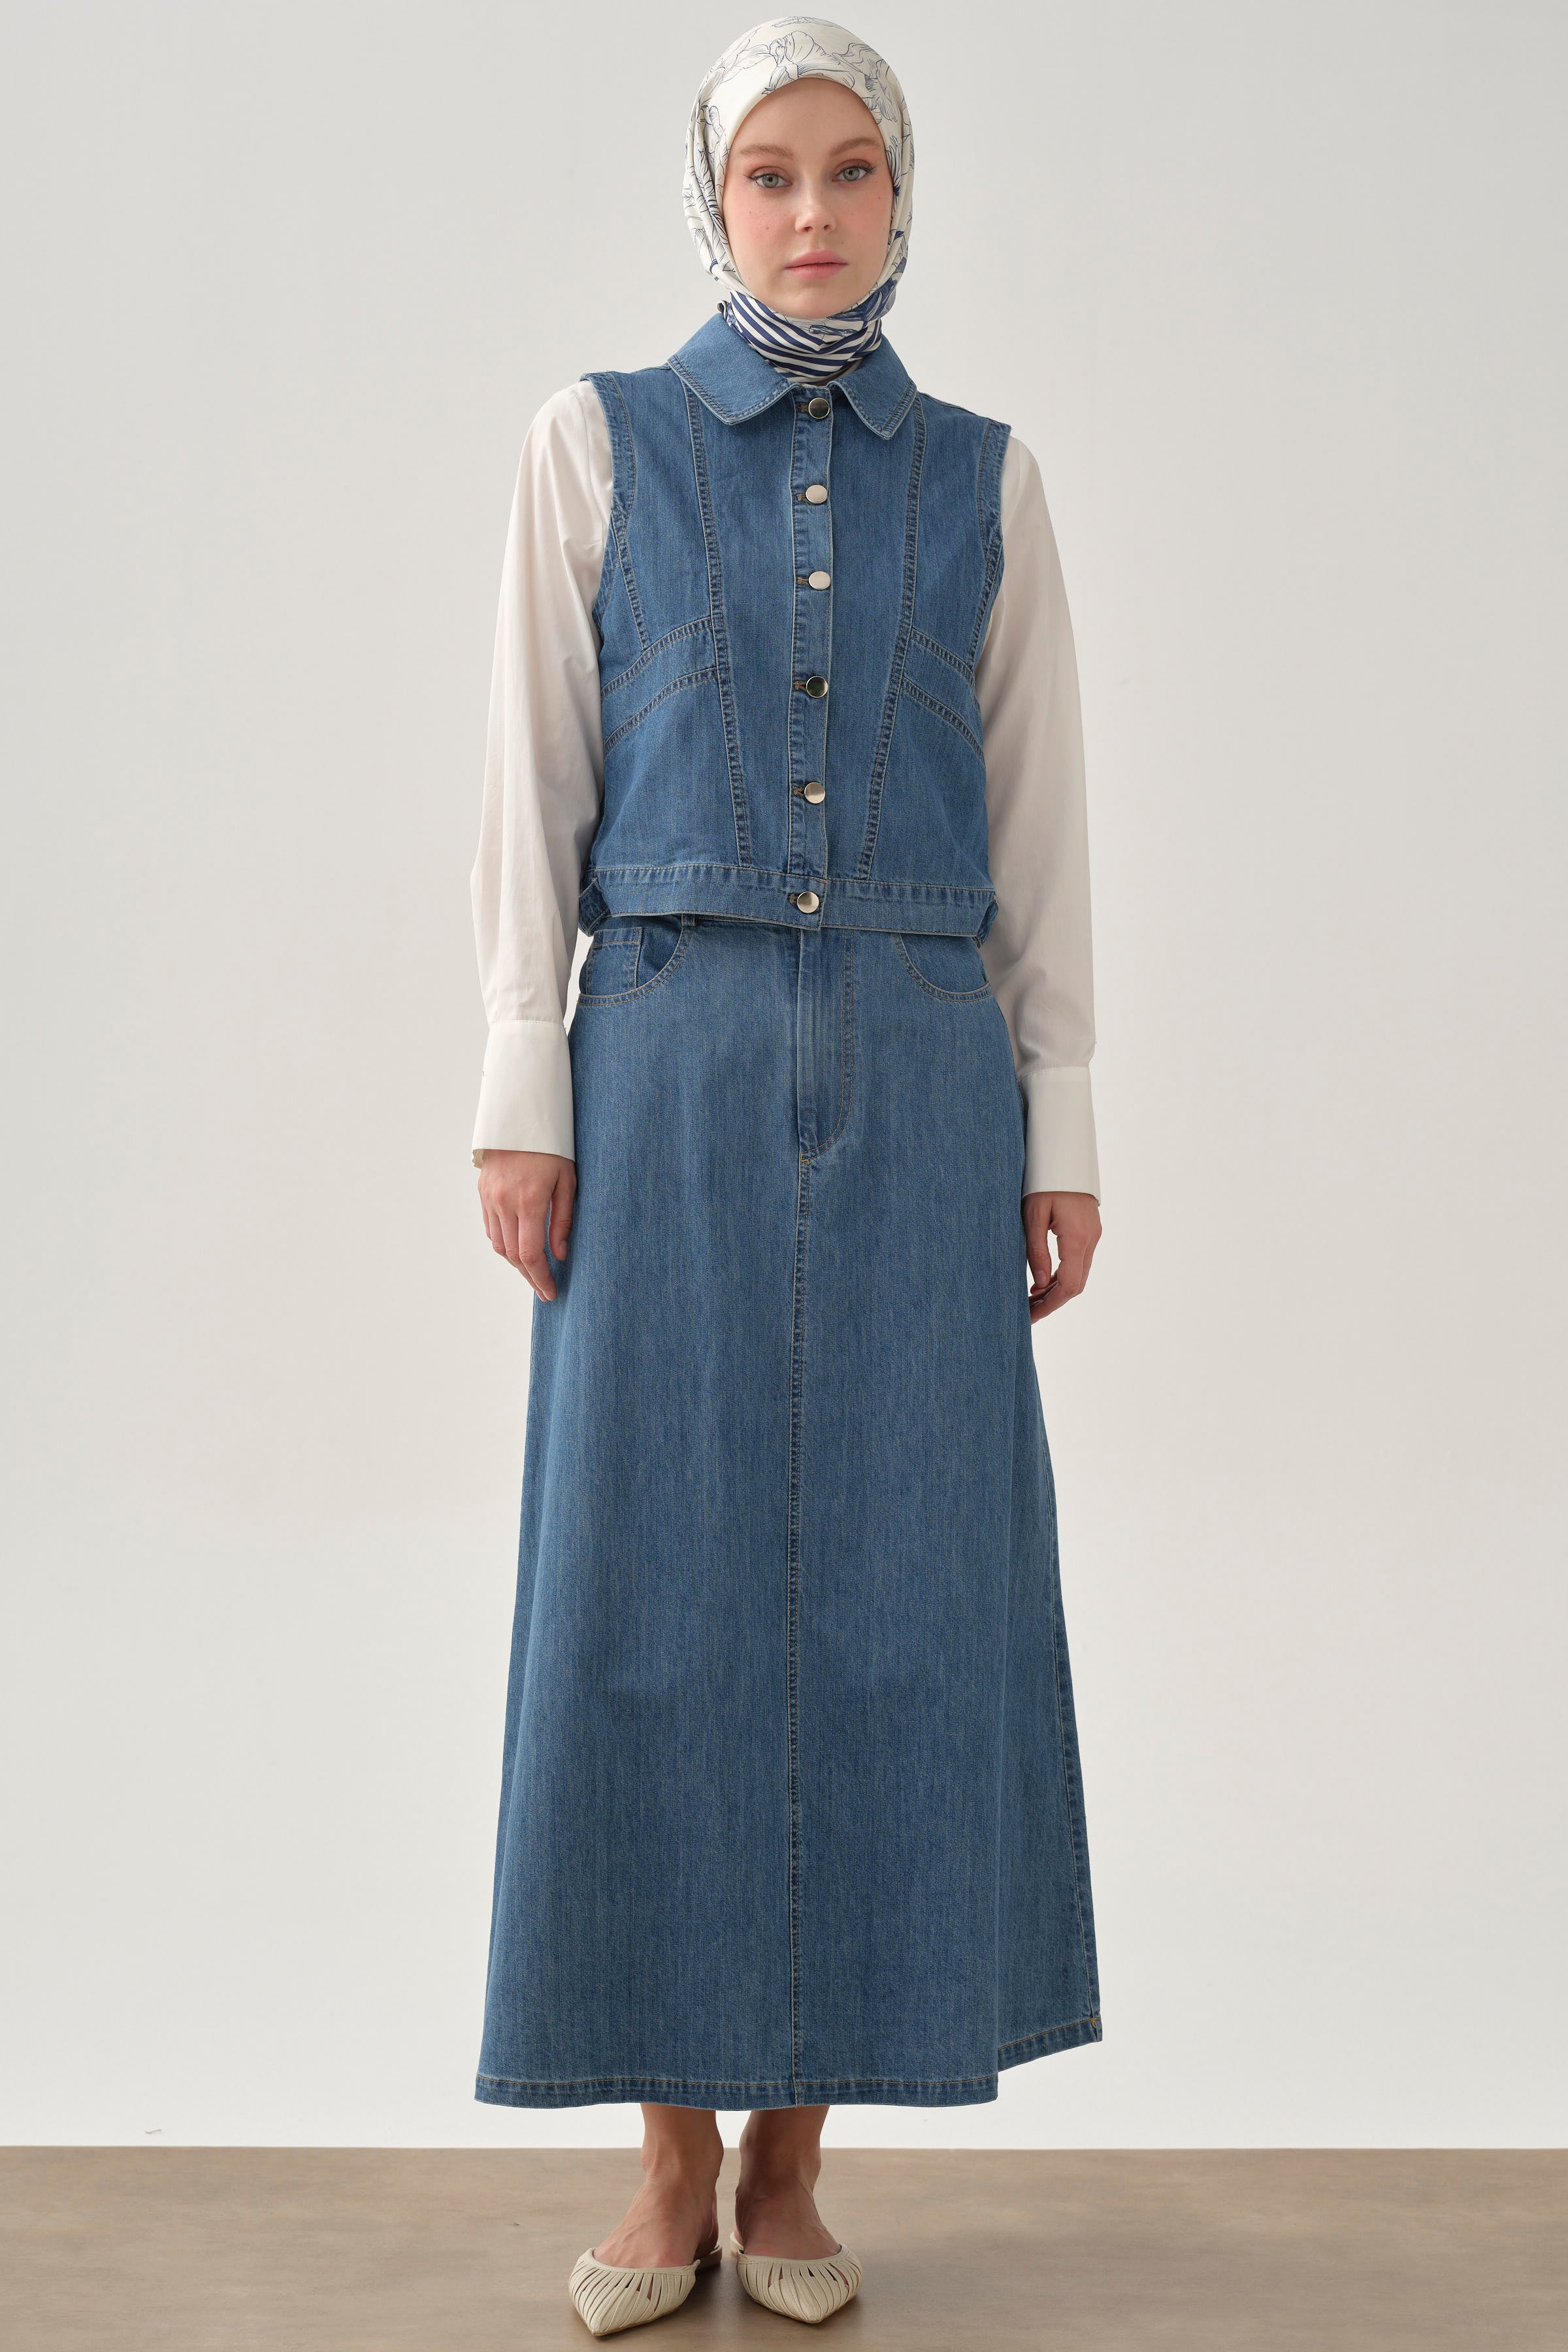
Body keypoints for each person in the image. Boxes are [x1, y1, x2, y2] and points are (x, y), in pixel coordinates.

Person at [468, 17, 1104, 2336]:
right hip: (663, 1061)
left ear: (903, 198)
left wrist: (1064, 1116)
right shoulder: (594, 443)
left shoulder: (989, 480)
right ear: (714, 201)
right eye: (770, 175)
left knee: (900, 1601)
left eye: (852, 171)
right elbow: (532, 779)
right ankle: (666, 2156)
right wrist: (520, 1088)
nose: (812, 212)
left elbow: (1040, 816)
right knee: (648, 1592)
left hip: (929, 1077)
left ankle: (801, 2154)